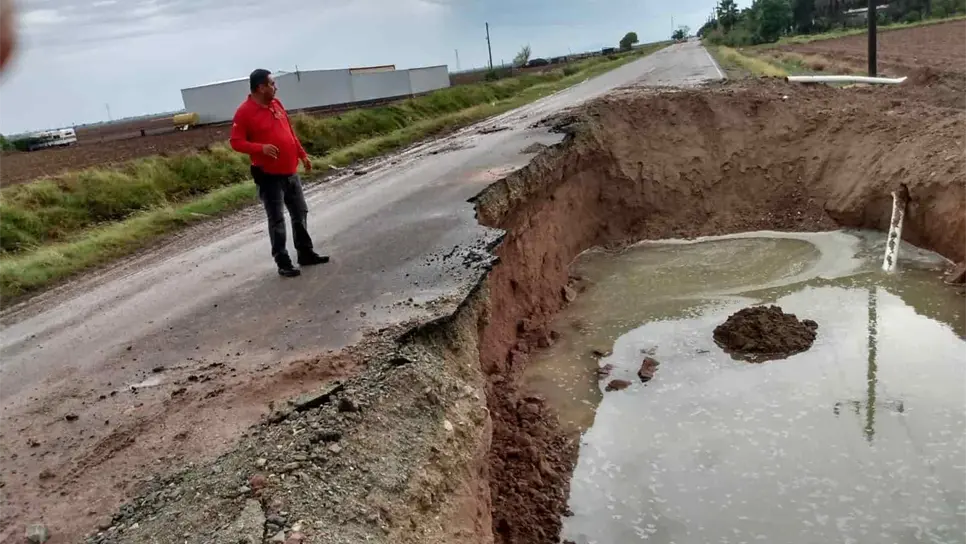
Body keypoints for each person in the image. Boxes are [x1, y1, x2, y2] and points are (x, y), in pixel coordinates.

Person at [230, 69, 329, 277]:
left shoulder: (277, 104)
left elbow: (290, 133)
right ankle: (283, 261)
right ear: (261, 87)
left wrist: (302, 155)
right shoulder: (244, 112)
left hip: (290, 170)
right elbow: (236, 142)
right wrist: (260, 148)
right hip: (268, 174)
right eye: (272, 84)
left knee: (300, 212)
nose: (276, 88)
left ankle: (305, 252)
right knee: (277, 219)